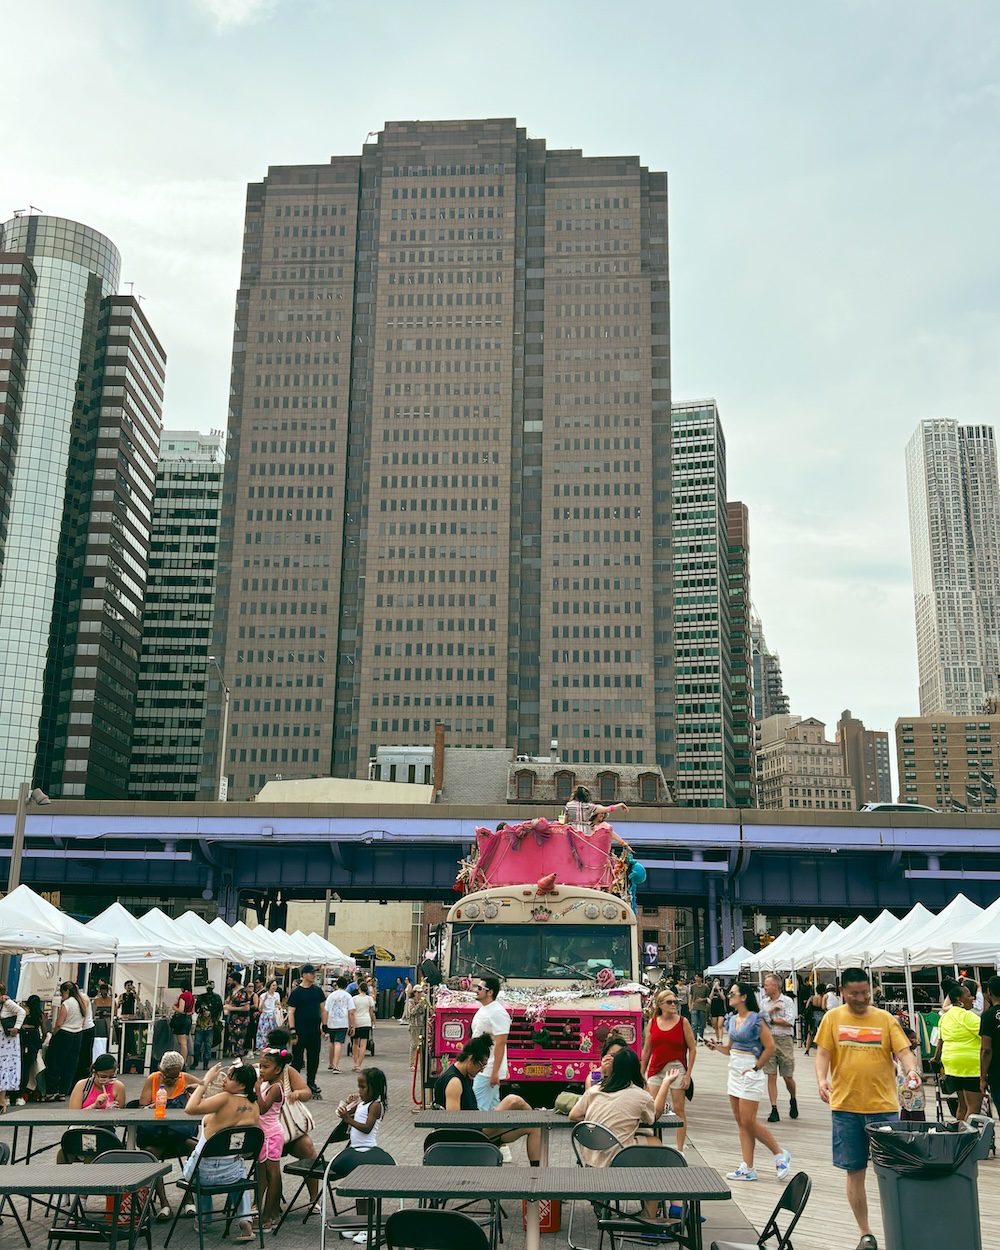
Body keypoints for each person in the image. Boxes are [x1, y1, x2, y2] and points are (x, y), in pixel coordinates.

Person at [815, 967, 920, 1250]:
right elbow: (823, 1052)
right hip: (846, 1107)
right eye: (854, 994)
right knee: (855, 1170)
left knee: (893, 1170)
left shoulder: (885, 1019)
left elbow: (904, 1052)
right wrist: (822, 1080)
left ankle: (900, 1228)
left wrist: (912, 1071)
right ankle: (866, 1233)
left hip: (883, 1107)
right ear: (843, 992)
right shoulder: (832, 1018)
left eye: (865, 993)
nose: (861, 998)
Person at [705, 982, 791, 1183]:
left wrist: (755, 1068)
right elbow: (729, 1048)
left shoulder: (756, 1019)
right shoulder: (732, 1019)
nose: (729, 995)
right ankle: (748, 1167)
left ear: (744, 997)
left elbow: (769, 1047)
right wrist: (716, 1047)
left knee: (748, 1120)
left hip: (750, 1068)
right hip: (735, 1067)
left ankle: (779, 1154)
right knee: (740, 1121)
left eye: (733, 993)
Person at [434, 1035, 541, 1163]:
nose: (480, 1071)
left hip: (476, 1127)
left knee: (535, 1126)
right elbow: (455, 1123)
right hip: (470, 1135)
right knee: (513, 1100)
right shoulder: (454, 1082)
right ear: (470, 1058)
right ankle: (536, 1115)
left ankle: (538, 1171)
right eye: (481, 1065)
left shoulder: (463, 1076)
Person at [183, 1062, 259, 1241]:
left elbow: (190, 1108)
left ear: (241, 1085)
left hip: (203, 1174)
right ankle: (245, 1220)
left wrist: (205, 1081)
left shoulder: (225, 1098)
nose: (224, 1079)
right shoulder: (254, 1106)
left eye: (230, 1078)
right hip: (231, 1174)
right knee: (241, 1174)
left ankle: (203, 1220)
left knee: (196, 1167)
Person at [137, 1051, 199, 1221]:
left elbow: (208, 1088)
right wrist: (152, 1106)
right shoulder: (153, 1079)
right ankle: (164, 1203)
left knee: (196, 1148)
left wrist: (196, 1091)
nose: (170, 1080)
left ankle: (189, 1197)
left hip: (179, 1133)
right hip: (157, 1134)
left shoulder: (185, 1078)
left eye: (174, 1077)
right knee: (150, 1154)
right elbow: (141, 1106)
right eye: (167, 1076)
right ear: (161, 1070)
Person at [569, 1046, 655, 1166]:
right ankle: (647, 1179)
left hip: (591, 1156)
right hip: (619, 1154)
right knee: (656, 1142)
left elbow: (573, 1115)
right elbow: (651, 1119)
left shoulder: (595, 1089)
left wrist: (597, 1123)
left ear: (613, 1068)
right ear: (636, 1069)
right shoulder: (641, 1096)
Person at [641, 987, 696, 1152]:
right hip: (656, 1069)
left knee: (679, 1109)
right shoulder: (653, 1022)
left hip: (677, 1067)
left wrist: (688, 1075)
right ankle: (655, 1145)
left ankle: (680, 1149)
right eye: (669, 1002)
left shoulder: (682, 1022)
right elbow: (647, 1049)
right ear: (660, 1004)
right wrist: (641, 1071)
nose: (673, 1004)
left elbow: (692, 1048)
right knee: (651, 1109)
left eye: (675, 1001)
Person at [934, 978, 983, 1121]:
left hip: (951, 1066)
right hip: (970, 1065)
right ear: (959, 1000)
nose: (972, 998)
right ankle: (968, 1140)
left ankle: (958, 1137)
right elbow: (984, 1036)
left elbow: (940, 1041)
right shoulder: (968, 1016)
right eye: (969, 996)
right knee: (974, 1108)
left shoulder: (944, 1017)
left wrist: (936, 1059)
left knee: (962, 1106)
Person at [255, 1047, 289, 1231]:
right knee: (262, 1175)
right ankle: (264, 1212)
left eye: (265, 1067)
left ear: (277, 1070)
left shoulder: (276, 1087)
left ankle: (268, 1216)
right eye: (260, 1066)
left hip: (271, 1136)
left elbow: (262, 1108)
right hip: (264, 1135)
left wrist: (255, 1088)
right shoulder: (266, 1084)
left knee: (272, 1174)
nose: (261, 1070)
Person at [759, 974, 799, 1122]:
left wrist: (770, 1020)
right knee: (771, 1074)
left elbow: (789, 1021)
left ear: (775, 986)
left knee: (788, 1075)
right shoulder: (764, 1002)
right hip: (768, 1040)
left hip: (784, 1040)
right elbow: (759, 1019)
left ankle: (793, 1098)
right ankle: (774, 1108)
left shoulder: (787, 1001)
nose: (764, 987)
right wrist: (771, 1015)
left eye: (767, 985)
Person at [470, 975, 511, 1109]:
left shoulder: (498, 1013)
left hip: (487, 1070)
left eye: (480, 988)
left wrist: (494, 1073)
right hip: (480, 1067)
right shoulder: (483, 1009)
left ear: (490, 992)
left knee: (479, 1107)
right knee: (492, 1108)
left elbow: (500, 1043)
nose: (476, 990)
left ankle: (481, 1130)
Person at [45, 982, 89, 1100]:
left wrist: (53, 1033)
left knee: (55, 1062)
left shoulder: (67, 1003)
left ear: (66, 991)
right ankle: (63, 1091)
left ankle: (51, 1091)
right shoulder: (82, 1002)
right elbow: (84, 1021)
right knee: (70, 1064)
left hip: (64, 1034)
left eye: (62, 993)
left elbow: (59, 1022)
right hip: (78, 1034)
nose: (61, 995)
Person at [288, 964, 325, 1096]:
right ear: (303, 975)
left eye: (314, 973)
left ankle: (311, 1082)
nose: (314, 975)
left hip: (314, 1031)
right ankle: (295, 1083)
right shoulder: (296, 992)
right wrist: (292, 1030)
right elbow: (291, 1012)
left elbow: (322, 1009)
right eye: (311, 973)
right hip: (299, 1031)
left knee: (313, 1058)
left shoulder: (318, 991)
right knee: (297, 1059)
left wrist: (324, 1026)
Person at [564, 785, 630, 839]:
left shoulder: (569, 805)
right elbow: (608, 809)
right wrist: (620, 805)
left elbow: (564, 821)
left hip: (572, 833)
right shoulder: (590, 806)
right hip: (585, 834)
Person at [0, 982, 26, 1111]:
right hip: (3, 1040)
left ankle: (2, 1102)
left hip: (6, 1041)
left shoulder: (7, 1003)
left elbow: (22, 1012)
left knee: (4, 1068)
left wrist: (17, 1027)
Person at [323, 975, 355, 1072]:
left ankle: (331, 1063)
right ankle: (336, 1065)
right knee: (338, 1043)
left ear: (337, 985)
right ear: (346, 985)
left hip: (331, 1022)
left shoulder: (331, 996)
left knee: (332, 1042)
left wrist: (323, 1024)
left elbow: (325, 1011)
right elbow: (351, 1012)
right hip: (343, 1022)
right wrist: (352, 1025)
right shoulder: (348, 996)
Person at [18, 994, 46, 1102]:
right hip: (34, 1040)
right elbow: (44, 1031)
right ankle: (23, 1092)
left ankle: (14, 1093)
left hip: (24, 1039)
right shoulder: (40, 1015)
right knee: (28, 1068)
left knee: (21, 1067)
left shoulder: (25, 1012)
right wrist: (41, 1041)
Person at [980, 975, 1000, 1113]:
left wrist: (982, 1078)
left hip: (997, 1071)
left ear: (989, 992)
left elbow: (986, 1049)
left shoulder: (988, 1016)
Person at [194, 982, 223, 1070]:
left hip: (210, 1024)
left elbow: (219, 1010)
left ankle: (204, 1063)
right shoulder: (202, 997)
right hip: (203, 1023)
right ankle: (197, 1062)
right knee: (199, 1044)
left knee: (206, 1044)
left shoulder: (215, 997)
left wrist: (215, 1020)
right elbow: (197, 1009)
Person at [350, 977, 377, 1073]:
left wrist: (351, 1024)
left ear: (359, 989)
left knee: (355, 1043)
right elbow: (371, 1012)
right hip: (366, 1022)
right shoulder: (370, 999)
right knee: (363, 1044)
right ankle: (359, 1065)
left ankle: (355, 1063)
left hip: (356, 1022)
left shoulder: (354, 999)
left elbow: (352, 1012)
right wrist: (372, 1021)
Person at [170, 980, 194, 1067]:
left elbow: (181, 1009)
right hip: (188, 1019)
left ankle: (182, 1063)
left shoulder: (183, 996)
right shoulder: (191, 996)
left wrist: (174, 1007)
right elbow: (192, 1011)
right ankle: (185, 1061)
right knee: (185, 1042)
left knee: (182, 1043)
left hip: (182, 1020)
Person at [224, 980, 252, 1058]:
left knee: (240, 1039)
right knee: (232, 1038)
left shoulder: (243, 992)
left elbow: (246, 1008)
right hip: (232, 1020)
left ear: (235, 980)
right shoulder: (231, 991)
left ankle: (239, 1056)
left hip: (241, 1019)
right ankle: (232, 1053)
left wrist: (232, 1008)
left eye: (230, 979)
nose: (228, 982)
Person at [255, 979, 283, 1051]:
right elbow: (260, 1009)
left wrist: (278, 1005)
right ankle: (264, 1048)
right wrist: (264, 1000)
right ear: (269, 986)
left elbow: (279, 1006)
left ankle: (274, 1047)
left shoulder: (277, 994)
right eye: (273, 985)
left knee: (274, 1033)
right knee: (264, 1034)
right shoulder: (263, 995)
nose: (275, 987)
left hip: (274, 1016)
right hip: (265, 1016)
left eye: (276, 985)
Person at [689, 974, 709, 1042]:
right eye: (696, 977)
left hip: (702, 1007)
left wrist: (702, 999)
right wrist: (690, 1006)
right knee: (694, 1024)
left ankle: (700, 1037)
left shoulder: (705, 987)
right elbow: (690, 996)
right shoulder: (692, 986)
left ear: (701, 978)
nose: (696, 978)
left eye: (698, 977)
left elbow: (708, 998)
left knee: (702, 1024)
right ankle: (694, 1038)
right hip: (694, 1006)